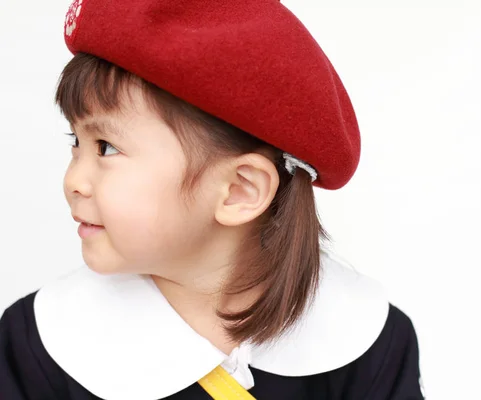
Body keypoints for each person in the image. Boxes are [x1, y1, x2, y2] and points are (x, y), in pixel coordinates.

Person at [0, 0, 425, 399]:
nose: (73, 180)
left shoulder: (365, 338)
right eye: (77, 141)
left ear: (240, 190)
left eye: (107, 147)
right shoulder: (39, 343)